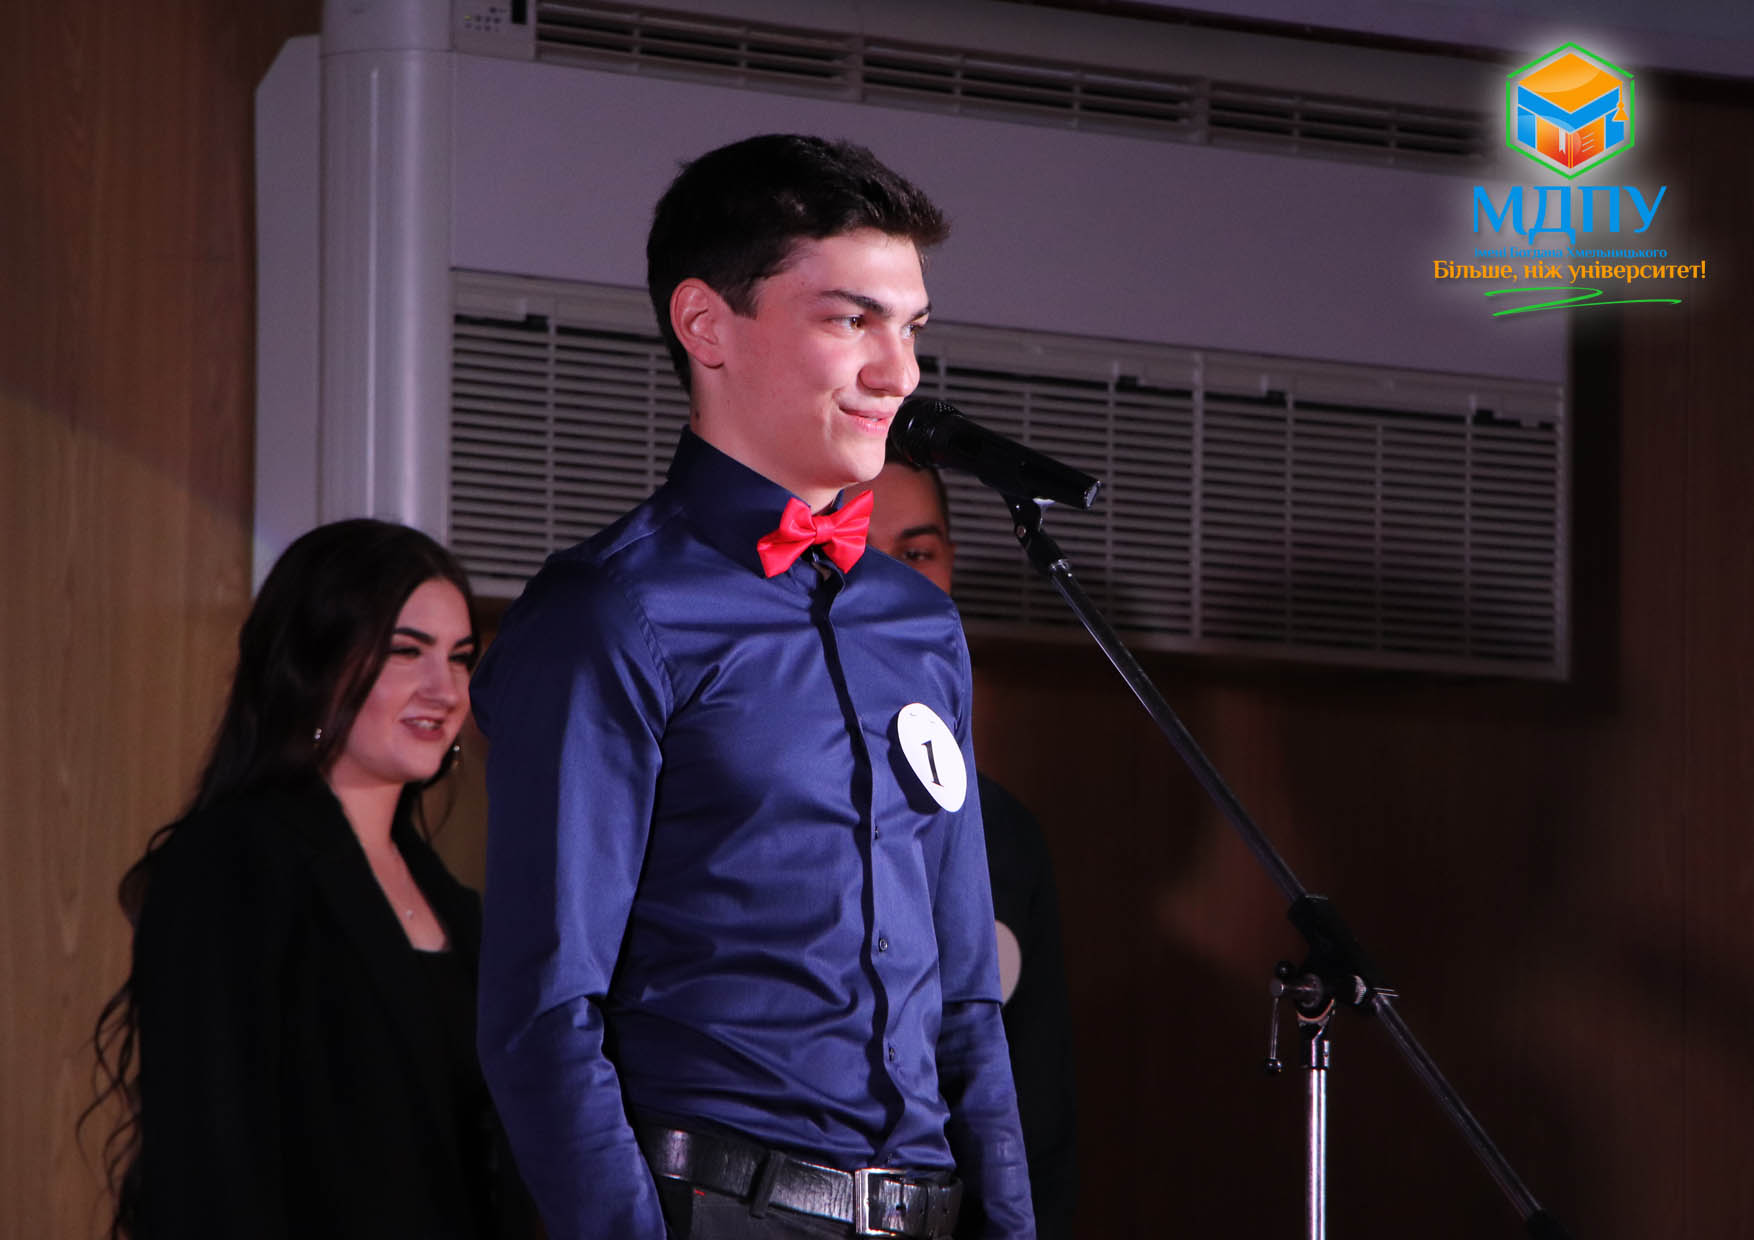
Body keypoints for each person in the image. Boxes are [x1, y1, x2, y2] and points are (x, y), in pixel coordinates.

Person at [472, 134, 1034, 1239]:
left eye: (911, 327)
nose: (900, 373)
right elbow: (544, 1009)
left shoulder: (918, 624)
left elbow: (965, 991)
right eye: (851, 320)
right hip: (723, 1206)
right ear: (705, 324)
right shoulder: (609, 612)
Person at [87, 519, 538, 1240]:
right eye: (406, 651)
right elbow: (207, 1158)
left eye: (460, 658)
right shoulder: (230, 860)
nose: (446, 689)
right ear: (313, 664)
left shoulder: (453, 900)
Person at [845, 458, 1078, 1240]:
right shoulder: (753, 792)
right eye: (856, 546)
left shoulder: (1003, 831)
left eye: (917, 553)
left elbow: (1034, 1110)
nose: (891, 581)